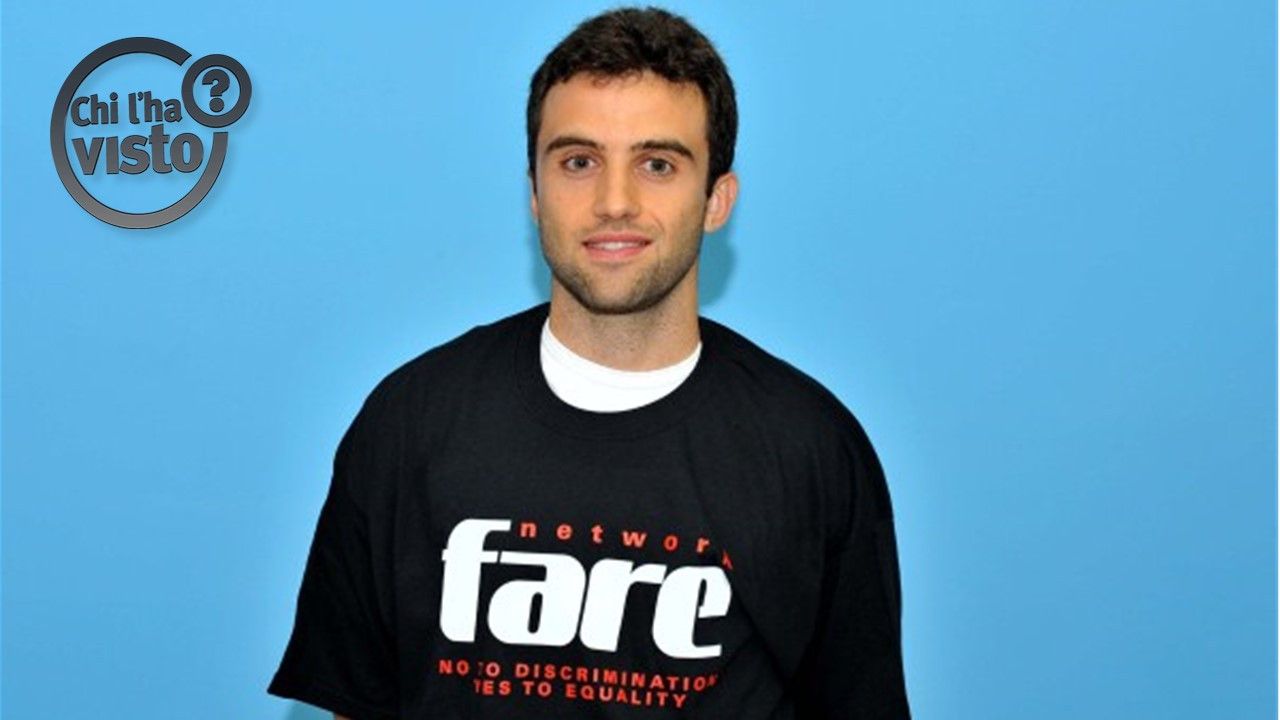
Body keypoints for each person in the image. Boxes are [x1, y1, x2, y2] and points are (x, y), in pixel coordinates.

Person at [267, 7, 910, 719]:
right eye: (579, 162)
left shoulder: (810, 448)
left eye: (657, 164)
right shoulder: (411, 423)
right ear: (535, 192)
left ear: (716, 199)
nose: (614, 202)